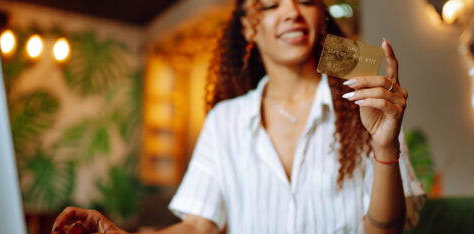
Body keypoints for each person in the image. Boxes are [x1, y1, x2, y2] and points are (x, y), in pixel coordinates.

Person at [52, 0, 426, 233]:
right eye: (270, 5)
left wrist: (385, 144)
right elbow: (199, 226)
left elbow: (384, 232)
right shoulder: (225, 122)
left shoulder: (362, 104)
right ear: (250, 27)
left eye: (305, 0)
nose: (291, 11)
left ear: (320, 16)